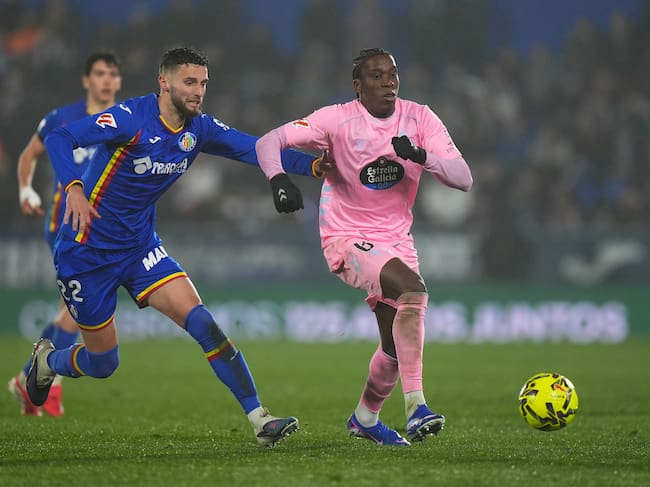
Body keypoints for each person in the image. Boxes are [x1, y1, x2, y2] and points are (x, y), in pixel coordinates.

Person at [26, 47, 328, 447]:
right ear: (164, 82)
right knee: (103, 362)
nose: (198, 91)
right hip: (86, 253)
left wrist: (312, 166)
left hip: (139, 249)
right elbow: (60, 136)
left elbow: (255, 148)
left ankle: (260, 419)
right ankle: (48, 361)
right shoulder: (130, 119)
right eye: (189, 82)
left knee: (204, 323)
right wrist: (75, 189)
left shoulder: (199, 129)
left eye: (203, 83)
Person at [255, 48, 473, 446]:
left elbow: (463, 178)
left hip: (397, 241)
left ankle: (365, 418)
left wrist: (421, 156)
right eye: (376, 76)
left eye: (392, 74)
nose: (388, 82)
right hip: (345, 236)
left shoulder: (420, 118)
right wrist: (278, 178)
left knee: (394, 347)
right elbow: (270, 141)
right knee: (413, 291)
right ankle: (417, 407)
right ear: (358, 86)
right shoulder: (336, 120)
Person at [9, 50, 123, 417]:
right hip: (66, 225)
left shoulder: (127, 120)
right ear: (86, 80)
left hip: (105, 229)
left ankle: (29, 378)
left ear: (119, 81)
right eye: (100, 73)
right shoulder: (63, 118)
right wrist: (26, 190)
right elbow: (29, 155)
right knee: (76, 312)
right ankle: (44, 381)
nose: (107, 80)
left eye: (112, 74)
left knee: (70, 310)